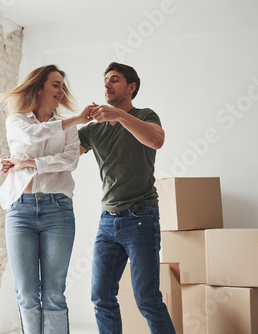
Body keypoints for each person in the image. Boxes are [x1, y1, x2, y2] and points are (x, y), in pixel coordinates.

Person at [79, 62, 175, 333]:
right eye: (106, 81)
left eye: (115, 80)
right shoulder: (93, 129)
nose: (107, 85)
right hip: (107, 222)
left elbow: (156, 140)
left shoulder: (145, 115)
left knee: (147, 299)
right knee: (102, 298)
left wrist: (119, 115)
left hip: (141, 218)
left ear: (131, 87)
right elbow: (62, 157)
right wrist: (21, 161)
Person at [0, 64, 91, 334]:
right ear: (39, 88)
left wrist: (28, 162)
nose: (62, 90)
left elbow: (70, 160)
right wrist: (74, 120)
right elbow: (31, 135)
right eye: (56, 84)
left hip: (57, 211)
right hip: (20, 211)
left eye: (63, 85)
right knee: (26, 292)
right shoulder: (17, 120)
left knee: (54, 294)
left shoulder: (70, 130)